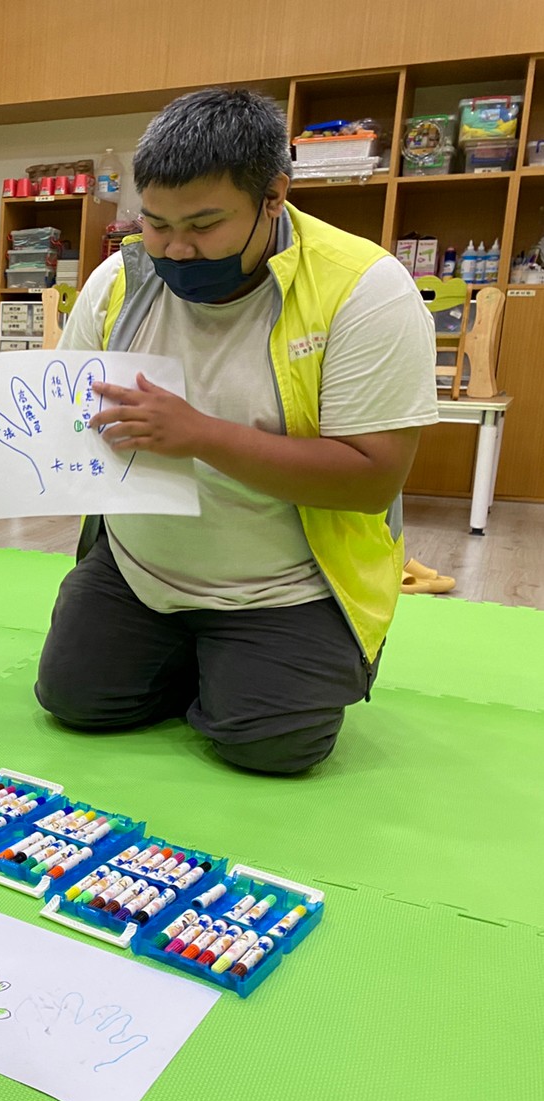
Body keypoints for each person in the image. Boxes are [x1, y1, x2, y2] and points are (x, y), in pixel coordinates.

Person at [37, 88, 438, 774]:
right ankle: (206, 659)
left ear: (275, 195)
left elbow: (373, 479)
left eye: (205, 223)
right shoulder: (119, 282)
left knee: (272, 749)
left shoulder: (364, 289)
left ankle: (253, 663)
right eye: (156, 223)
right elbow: (67, 414)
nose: (176, 248)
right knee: (75, 702)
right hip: (142, 566)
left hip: (286, 583)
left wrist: (199, 435)